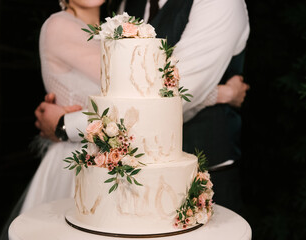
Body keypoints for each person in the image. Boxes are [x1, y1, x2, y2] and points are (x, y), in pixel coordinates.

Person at [35, 0, 250, 213]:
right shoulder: (126, 7)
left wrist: (67, 124)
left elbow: (176, 92)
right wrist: (223, 93)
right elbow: (131, 86)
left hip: (203, 171)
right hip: (111, 169)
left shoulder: (219, 3)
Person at [0, 1, 112, 239]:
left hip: (113, 157)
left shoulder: (111, 28)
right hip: (77, 159)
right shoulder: (59, 25)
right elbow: (129, 81)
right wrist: (209, 93)